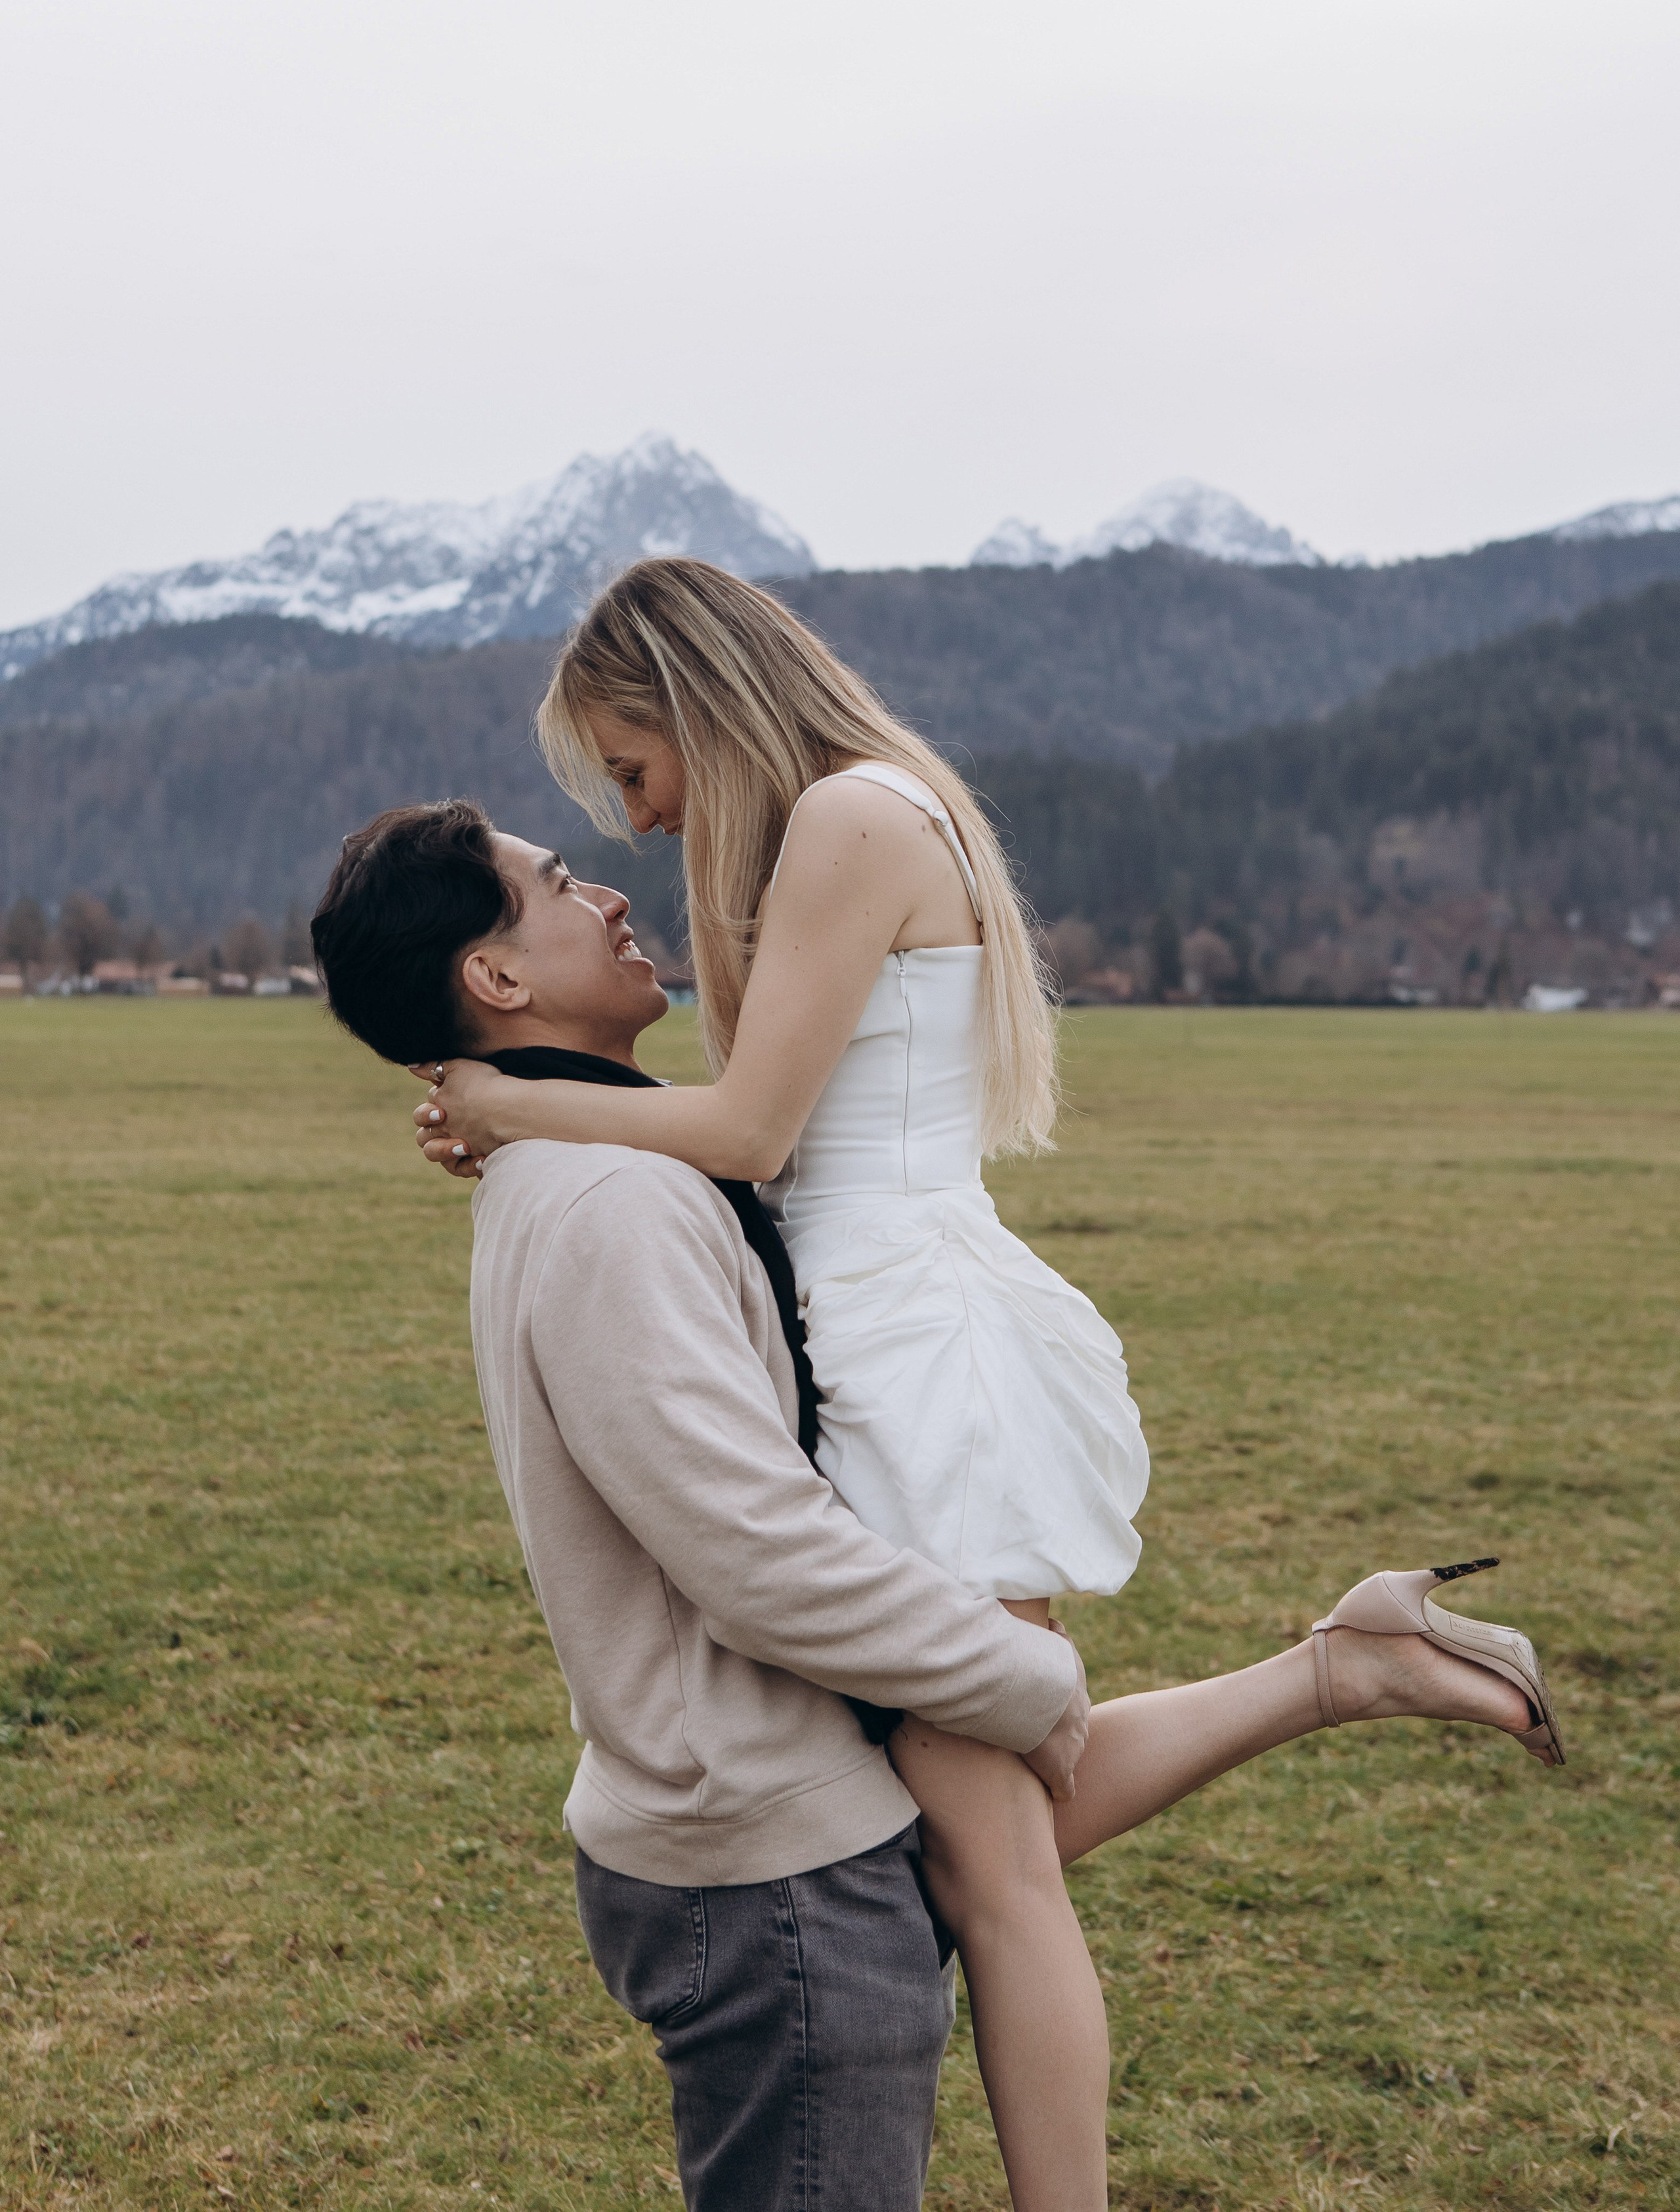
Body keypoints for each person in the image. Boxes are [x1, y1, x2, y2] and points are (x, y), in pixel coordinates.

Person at [407, 562, 1564, 2212]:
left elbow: (745, 1137)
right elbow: (751, 1126)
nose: (643, 827)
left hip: (909, 1351)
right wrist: (531, 1104)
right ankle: (1349, 1663)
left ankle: (1342, 1678)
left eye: (635, 774)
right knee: (972, 1834)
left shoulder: (849, 825)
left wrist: (519, 1105)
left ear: (693, 701)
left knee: (995, 1862)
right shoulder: (826, 830)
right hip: (864, 1333)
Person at [310, 799, 1092, 2212]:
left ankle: (1353, 1663)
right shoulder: (612, 1202)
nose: (608, 894)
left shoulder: (609, 1165)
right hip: (771, 1893)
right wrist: (1022, 1675)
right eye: (553, 884)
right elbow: (757, 1553)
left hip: (756, 1838)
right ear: (496, 980)